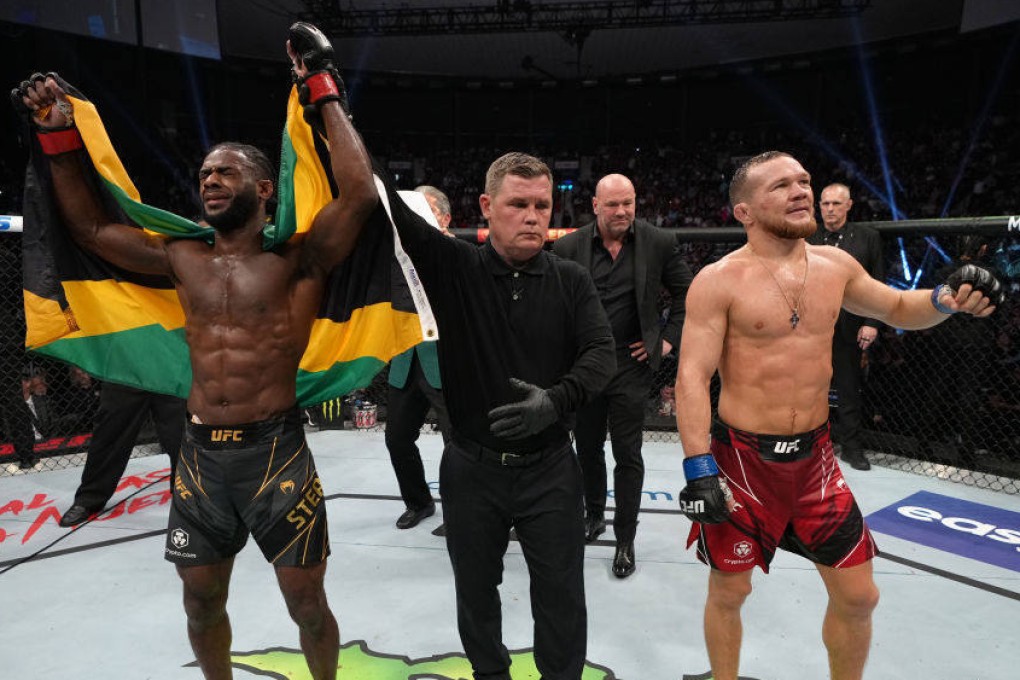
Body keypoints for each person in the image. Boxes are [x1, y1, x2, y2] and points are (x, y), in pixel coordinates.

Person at [16, 23, 376, 680]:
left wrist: (322, 86)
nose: (210, 180)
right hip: (201, 456)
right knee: (200, 601)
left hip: (277, 452)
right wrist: (58, 137)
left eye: (226, 171)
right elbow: (92, 228)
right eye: (205, 172)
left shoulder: (299, 260)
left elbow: (356, 192)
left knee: (307, 606)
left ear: (265, 189)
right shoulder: (182, 257)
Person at [674, 150, 1001, 680]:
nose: (801, 190)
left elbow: (896, 308)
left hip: (815, 464)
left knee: (859, 596)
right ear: (745, 212)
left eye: (804, 180)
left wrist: (946, 298)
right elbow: (691, 376)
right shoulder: (718, 280)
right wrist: (697, 468)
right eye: (781, 185)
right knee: (730, 590)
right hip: (742, 463)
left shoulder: (836, 266)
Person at [388, 152, 615, 679]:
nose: (533, 215)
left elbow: (601, 354)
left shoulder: (571, 280)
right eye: (519, 204)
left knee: (561, 597)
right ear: (488, 207)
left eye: (542, 204)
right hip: (472, 469)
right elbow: (384, 206)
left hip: (551, 468)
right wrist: (328, 99)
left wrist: (555, 401)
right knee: (475, 594)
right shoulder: (454, 267)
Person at [552, 173, 692, 578]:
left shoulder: (658, 242)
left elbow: (688, 293)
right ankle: (593, 515)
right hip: (586, 365)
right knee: (588, 448)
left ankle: (625, 538)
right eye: (612, 204)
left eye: (628, 203)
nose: (621, 211)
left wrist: (665, 340)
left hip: (631, 365)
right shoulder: (568, 246)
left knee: (627, 454)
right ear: (595, 205)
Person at [385, 185, 454, 530]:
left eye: (424, 211)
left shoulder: (456, 252)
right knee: (397, 437)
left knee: (456, 445)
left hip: (444, 363)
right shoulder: (397, 254)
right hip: (404, 360)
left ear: (444, 217)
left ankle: (459, 511)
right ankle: (419, 502)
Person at [807, 183, 884, 470]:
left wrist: (872, 322)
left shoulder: (867, 237)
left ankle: (851, 448)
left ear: (849, 205)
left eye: (836, 204)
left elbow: (878, 283)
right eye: (825, 204)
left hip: (851, 325)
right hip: (810, 326)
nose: (829, 209)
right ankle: (812, 445)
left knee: (849, 388)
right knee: (809, 388)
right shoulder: (808, 236)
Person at [58, 382, 186, 527]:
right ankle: (89, 499)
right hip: (127, 368)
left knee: (181, 431)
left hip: (168, 369)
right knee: (111, 430)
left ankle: (188, 491)